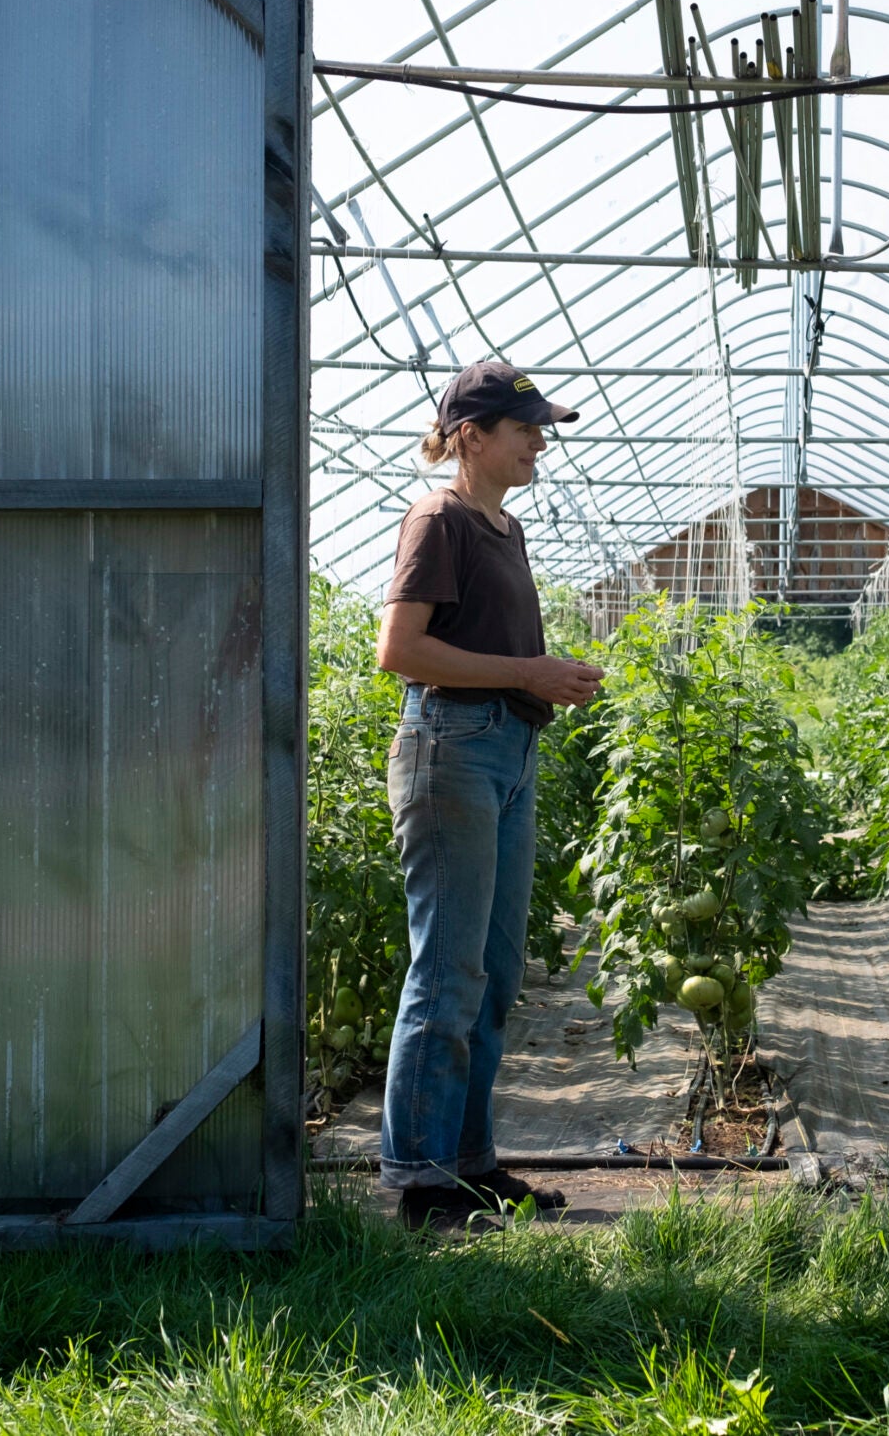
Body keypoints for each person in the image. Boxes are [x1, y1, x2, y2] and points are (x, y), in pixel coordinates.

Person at [375, 361, 605, 1227]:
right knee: (447, 970)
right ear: (470, 435)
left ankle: (468, 1165)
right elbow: (399, 649)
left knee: (496, 970)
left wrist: (543, 682)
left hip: (507, 751)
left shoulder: (501, 527)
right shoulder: (439, 518)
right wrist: (526, 671)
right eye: (526, 428)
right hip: (453, 750)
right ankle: (420, 1179)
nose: (541, 440)